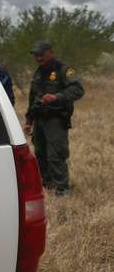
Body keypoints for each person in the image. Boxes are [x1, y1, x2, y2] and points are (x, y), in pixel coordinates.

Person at [24, 41, 84, 196]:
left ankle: (62, 188)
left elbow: (78, 89)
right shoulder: (39, 71)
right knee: (40, 153)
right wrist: (29, 120)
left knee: (56, 154)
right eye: (36, 55)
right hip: (39, 119)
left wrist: (57, 97)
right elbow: (33, 97)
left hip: (56, 119)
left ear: (50, 52)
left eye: (41, 55)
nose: (38, 58)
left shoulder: (63, 69)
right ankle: (47, 184)